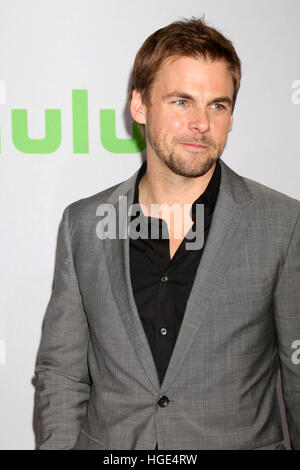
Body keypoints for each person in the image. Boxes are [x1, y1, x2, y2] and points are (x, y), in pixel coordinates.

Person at [34, 17, 300, 450]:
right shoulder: (84, 224)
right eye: (181, 101)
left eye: (218, 105)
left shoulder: (283, 224)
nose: (201, 123)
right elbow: (61, 373)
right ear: (139, 106)